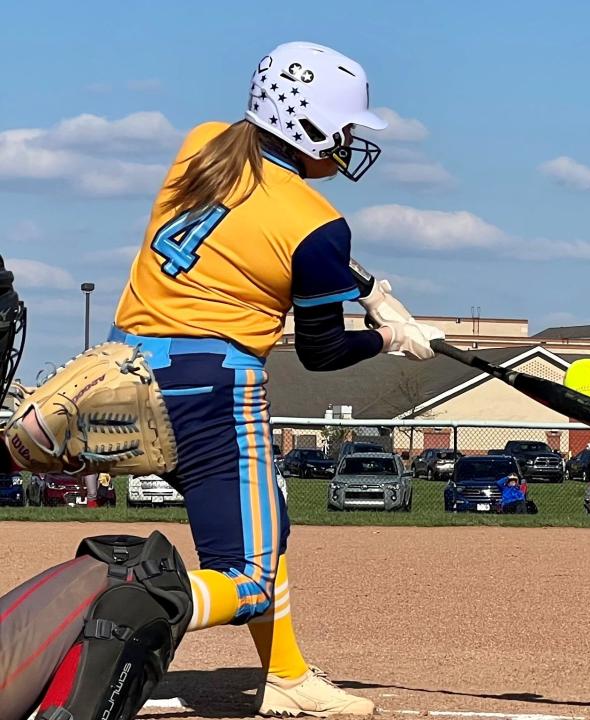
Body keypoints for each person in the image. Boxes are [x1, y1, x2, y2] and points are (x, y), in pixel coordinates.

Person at [71, 41, 440, 717]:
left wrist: (366, 288)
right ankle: (118, 606)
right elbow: (322, 353)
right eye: (346, 125)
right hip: (214, 390)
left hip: (125, 375)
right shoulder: (320, 226)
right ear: (312, 125)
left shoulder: (204, 146)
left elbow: (254, 223)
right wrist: (387, 336)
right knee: (249, 582)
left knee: (264, 522)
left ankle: (288, 675)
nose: (351, 139)